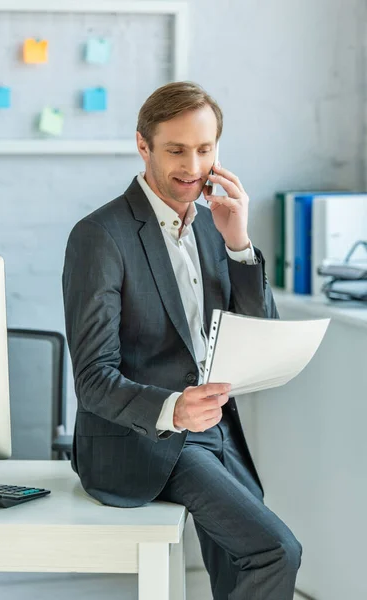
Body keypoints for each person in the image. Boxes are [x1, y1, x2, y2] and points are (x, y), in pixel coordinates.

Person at [62, 81, 302, 599]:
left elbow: (263, 332)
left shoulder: (217, 226)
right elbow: (91, 379)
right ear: (143, 146)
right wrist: (175, 409)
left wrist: (240, 245)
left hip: (217, 432)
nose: (193, 165)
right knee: (274, 550)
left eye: (205, 148)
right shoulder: (100, 236)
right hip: (146, 437)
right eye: (175, 149)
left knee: (243, 568)